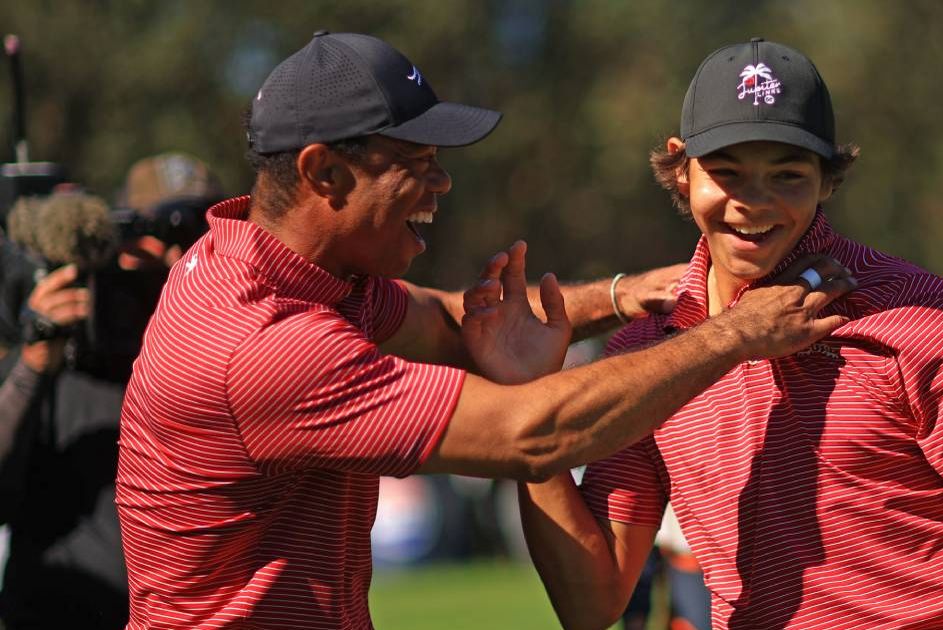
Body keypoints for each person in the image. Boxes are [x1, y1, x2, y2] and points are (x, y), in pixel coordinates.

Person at [113, 31, 854, 629]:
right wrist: (732, 335)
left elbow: (453, 322)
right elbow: (532, 435)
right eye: (415, 163)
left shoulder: (293, 272)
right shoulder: (263, 343)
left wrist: (622, 295)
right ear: (324, 173)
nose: (441, 183)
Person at [518, 38, 943, 629]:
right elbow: (592, 602)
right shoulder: (649, 351)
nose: (753, 203)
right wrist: (527, 403)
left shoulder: (925, 319)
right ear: (681, 170)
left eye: (787, 175)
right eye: (726, 172)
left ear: (829, 176)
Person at [0, 157, 221, 629]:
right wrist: (35, 357)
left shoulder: (233, 352)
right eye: (152, 237)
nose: (173, 259)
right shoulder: (57, 349)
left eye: (196, 238)